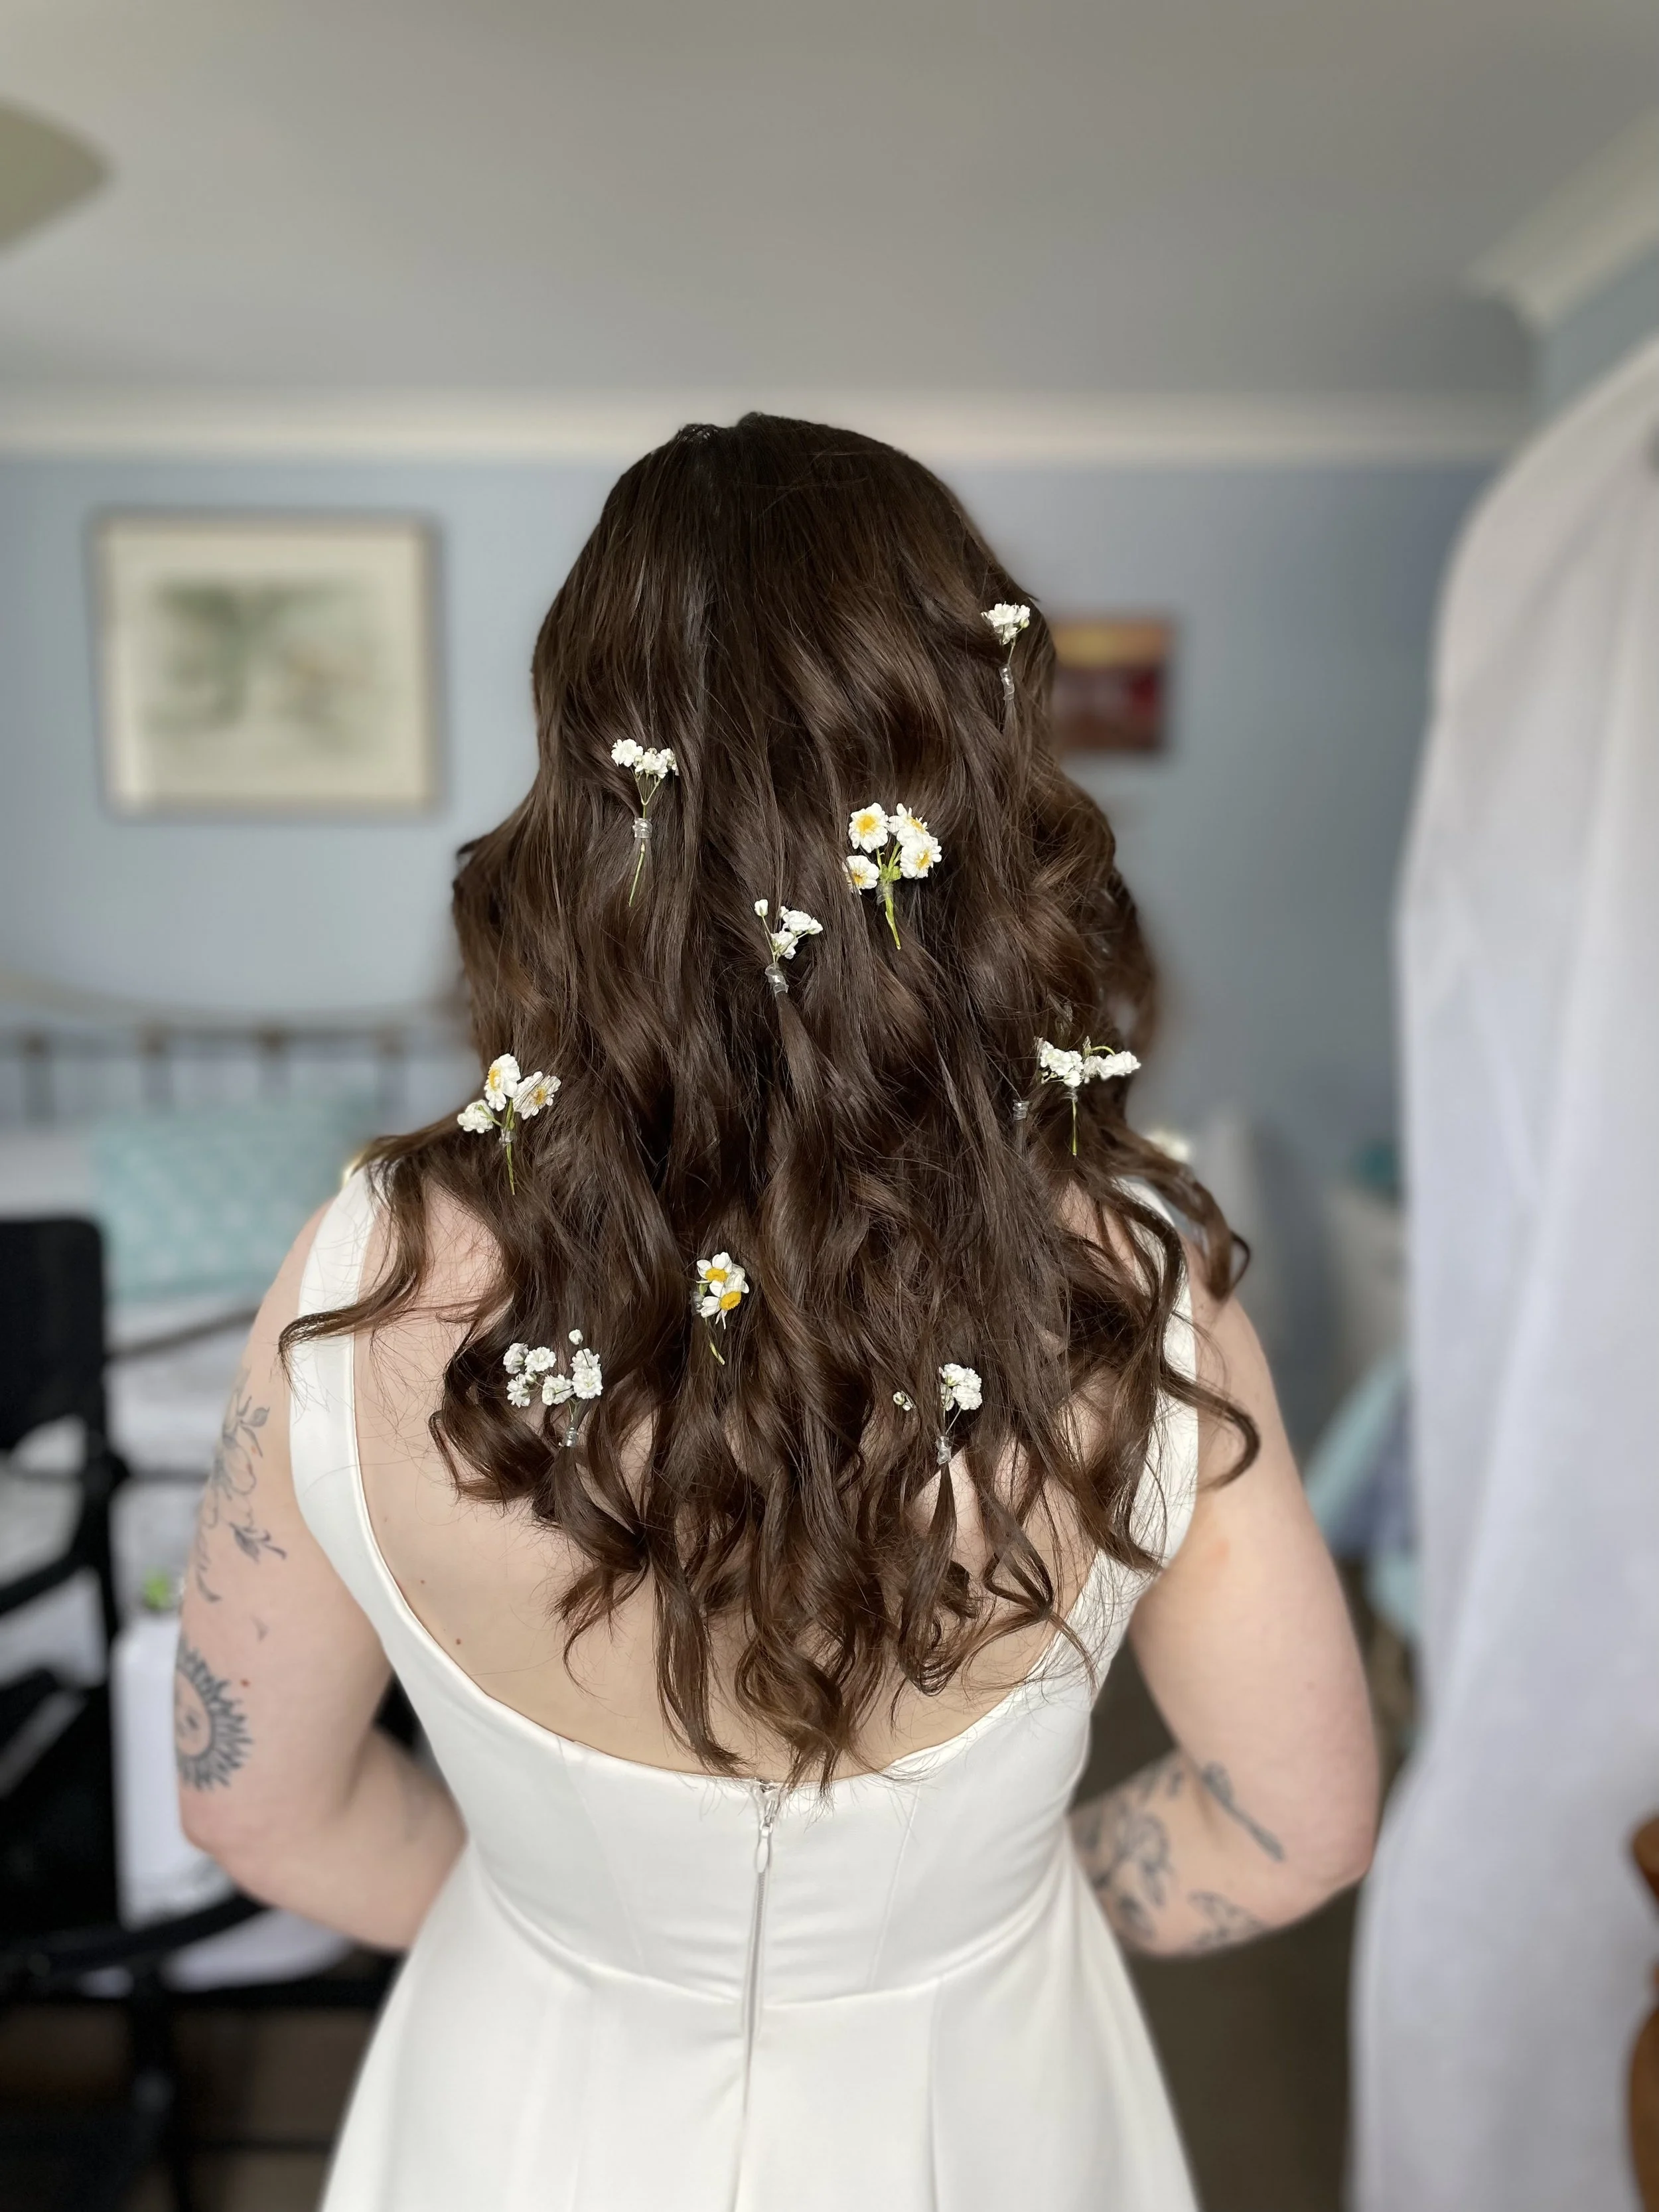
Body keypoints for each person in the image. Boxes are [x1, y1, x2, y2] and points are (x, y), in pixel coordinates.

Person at [175, 415, 1376, 2211]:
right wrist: (1001, 1906)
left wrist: (562, 1934)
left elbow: (250, 1801)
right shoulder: (1123, 1283)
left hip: (523, 2103)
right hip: (983, 2108)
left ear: (587, 794)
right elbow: (1293, 1822)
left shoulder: (370, 1268)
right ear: (977, 783)